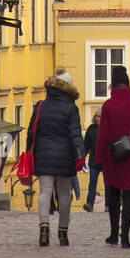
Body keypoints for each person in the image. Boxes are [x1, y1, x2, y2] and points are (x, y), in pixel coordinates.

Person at [25, 69, 84, 246]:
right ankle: (63, 232)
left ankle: (44, 228)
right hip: (65, 155)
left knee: (45, 191)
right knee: (65, 193)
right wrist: (80, 153)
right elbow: (75, 134)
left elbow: (31, 131)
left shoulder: (41, 106)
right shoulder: (71, 108)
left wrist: (29, 151)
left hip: (43, 153)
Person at [95, 65, 130, 248]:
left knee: (113, 195)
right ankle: (125, 237)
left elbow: (102, 134)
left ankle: (112, 234)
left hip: (113, 157)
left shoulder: (108, 106)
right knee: (128, 196)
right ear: (128, 84)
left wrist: (99, 158)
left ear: (112, 84)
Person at [82, 110, 102, 211]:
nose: (98, 118)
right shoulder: (91, 129)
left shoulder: (107, 128)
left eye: (100, 116)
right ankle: (90, 203)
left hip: (106, 160)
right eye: (97, 116)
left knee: (108, 184)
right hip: (94, 160)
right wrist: (82, 158)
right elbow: (86, 145)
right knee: (93, 182)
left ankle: (108, 205)